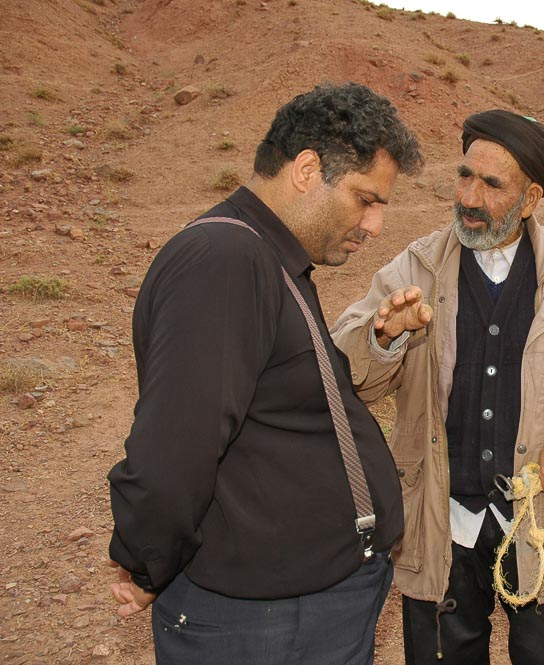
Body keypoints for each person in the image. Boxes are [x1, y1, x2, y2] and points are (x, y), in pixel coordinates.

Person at [107, 82, 424, 665]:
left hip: (297, 609)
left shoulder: (264, 255)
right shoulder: (223, 262)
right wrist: (148, 558)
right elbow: (176, 447)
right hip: (263, 622)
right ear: (306, 169)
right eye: (365, 199)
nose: (375, 225)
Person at [332, 109, 544, 664]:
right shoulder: (416, 268)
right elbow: (346, 369)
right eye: (464, 176)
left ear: (531, 198)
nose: (469, 197)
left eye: (491, 184)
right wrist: (384, 333)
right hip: (441, 524)